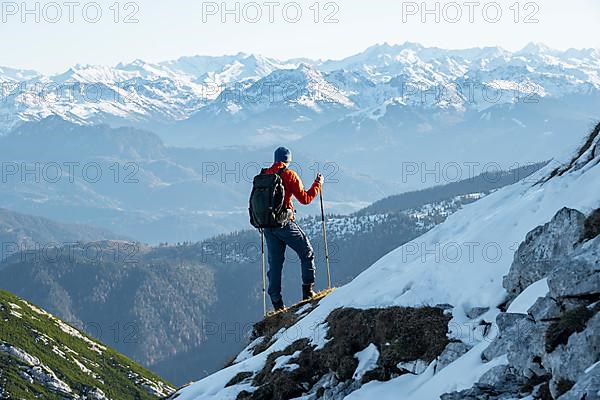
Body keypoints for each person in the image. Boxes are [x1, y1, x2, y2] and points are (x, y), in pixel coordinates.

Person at [263, 146, 324, 311]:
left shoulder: (265, 175)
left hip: (267, 227)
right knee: (307, 252)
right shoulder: (289, 175)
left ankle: (277, 304)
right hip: (284, 224)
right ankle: (308, 292)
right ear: (288, 160)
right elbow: (305, 199)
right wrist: (318, 184)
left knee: (275, 265)